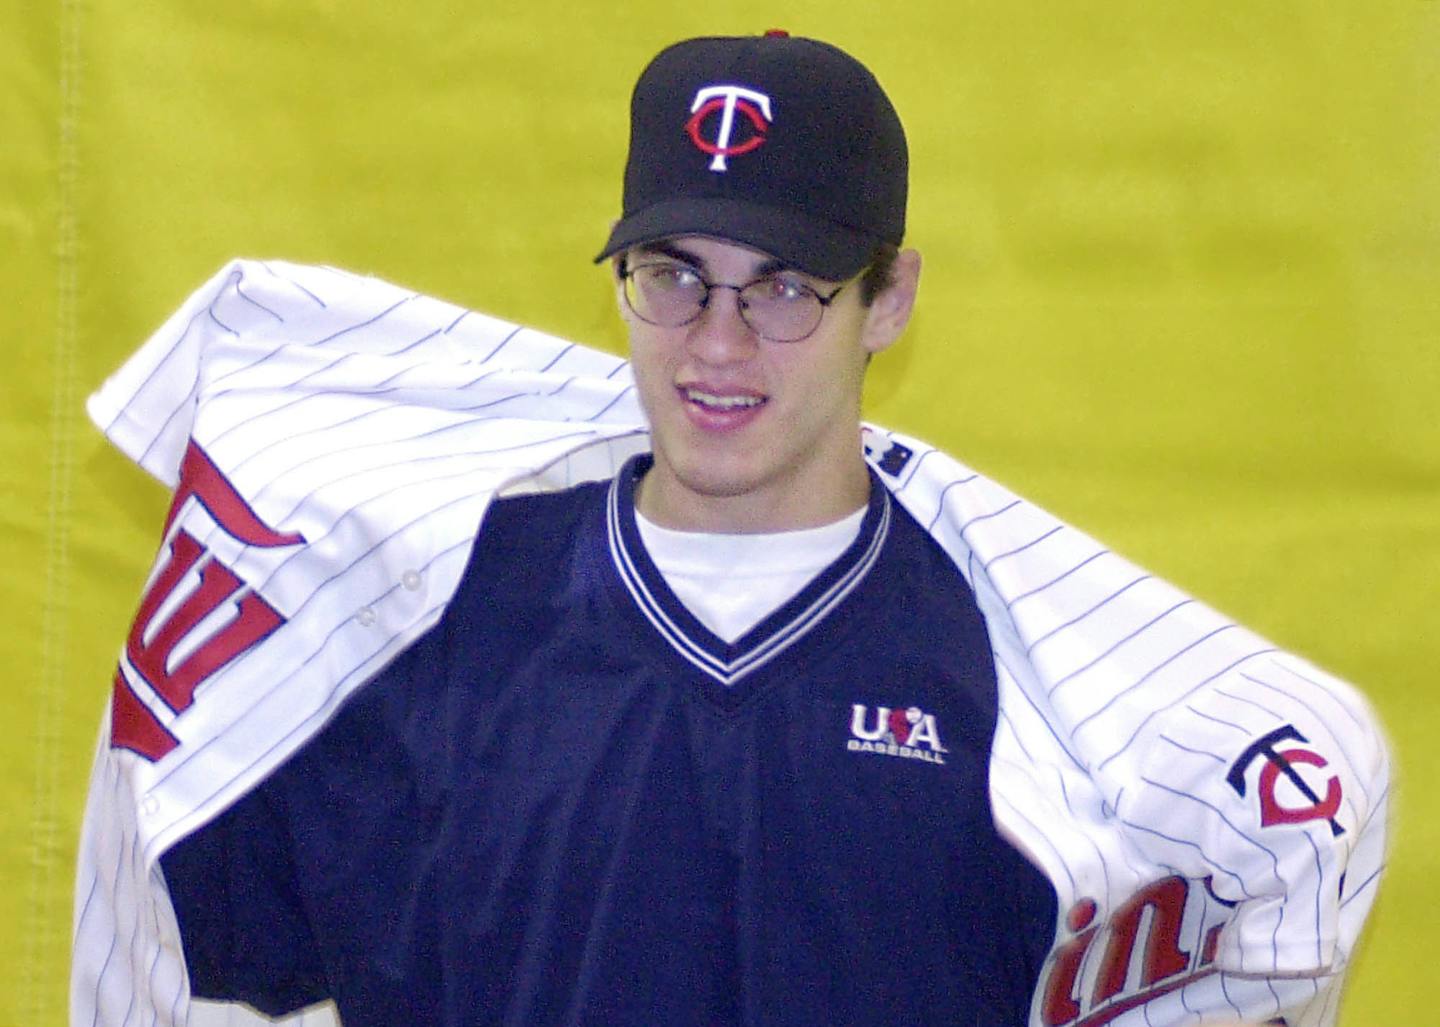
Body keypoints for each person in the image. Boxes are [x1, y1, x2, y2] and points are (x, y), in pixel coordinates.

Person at [72, 32, 1388, 1027]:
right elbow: (211, 952)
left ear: (890, 300)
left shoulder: (1033, 693)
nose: (716, 343)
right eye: (674, 277)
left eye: (785, 289)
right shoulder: (425, 623)